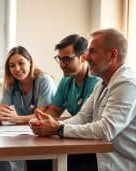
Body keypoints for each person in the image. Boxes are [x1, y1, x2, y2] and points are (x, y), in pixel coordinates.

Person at [30, 28, 136, 171]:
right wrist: (52, 127)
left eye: (93, 51)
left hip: (117, 163)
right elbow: (83, 117)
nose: (87, 57)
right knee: (39, 160)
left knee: (43, 162)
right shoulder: (103, 83)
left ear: (112, 55)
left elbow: (106, 130)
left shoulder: (127, 84)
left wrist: (58, 129)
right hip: (100, 156)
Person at [34, 34, 99, 171]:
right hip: (71, 134)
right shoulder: (66, 79)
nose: (62, 65)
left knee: (44, 161)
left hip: (89, 144)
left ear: (83, 57)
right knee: (36, 157)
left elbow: (86, 120)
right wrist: (44, 122)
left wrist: (54, 125)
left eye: (67, 59)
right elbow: (54, 111)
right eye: (59, 59)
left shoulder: (95, 82)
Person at [0, 46, 56, 171]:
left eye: (21, 63)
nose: (17, 69)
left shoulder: (44, 81)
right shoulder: (11, 84)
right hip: (21, 132)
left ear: (30, 61)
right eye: (12, 65)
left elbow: (41, 116)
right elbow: (3, 112)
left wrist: (17, 119)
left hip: (41, 134)